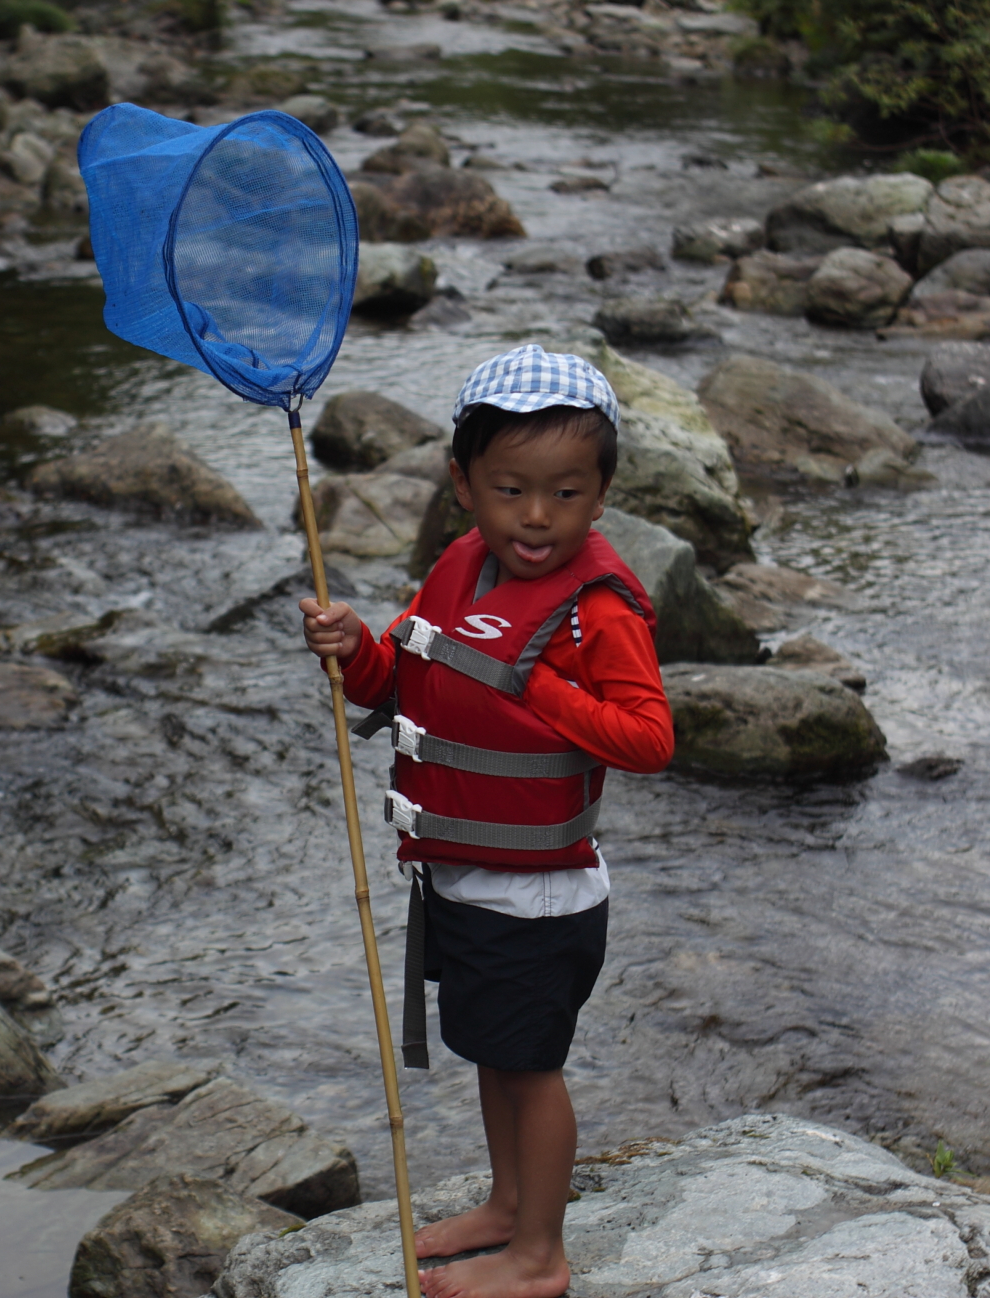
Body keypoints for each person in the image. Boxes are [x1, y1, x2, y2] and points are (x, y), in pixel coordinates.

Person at [299, 345, 673, 1298]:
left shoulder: (597, 607)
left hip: (539, 892)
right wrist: (353, 649)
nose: (536, 516)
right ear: (463, 486)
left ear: (602, 494)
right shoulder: (461, 565)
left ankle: (540, 1253)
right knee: (493, 1057)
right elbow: (400, 679)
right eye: (511, 489)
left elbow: (648, 737)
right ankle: (508, 1206)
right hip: (465, 875)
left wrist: (543, 689)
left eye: (565, 492)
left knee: (532, 1067)